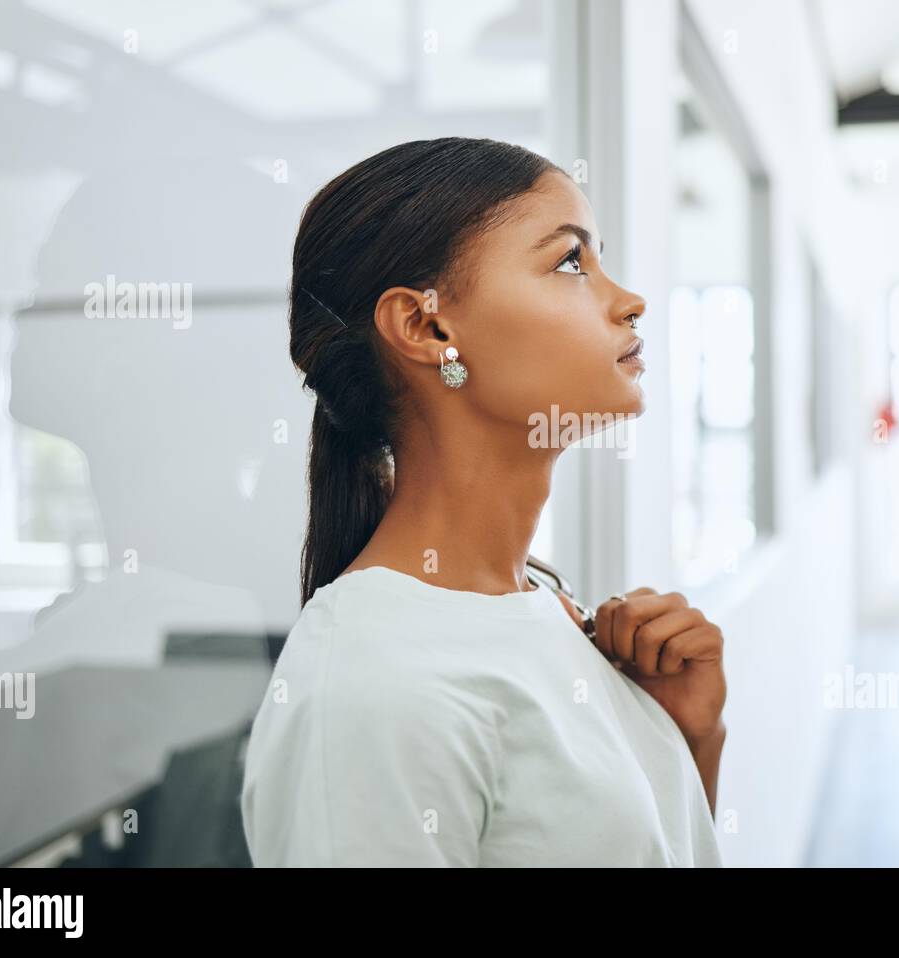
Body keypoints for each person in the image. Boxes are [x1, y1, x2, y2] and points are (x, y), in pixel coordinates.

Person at [241, 137, 727, 866]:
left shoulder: (543, 606)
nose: (629, 301)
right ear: (428, 326)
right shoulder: (369, 693)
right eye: (571, 262)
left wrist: (689, 737)